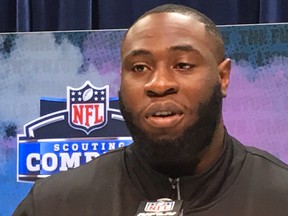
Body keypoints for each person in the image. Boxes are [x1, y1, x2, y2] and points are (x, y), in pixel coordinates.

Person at [13, 4, 288, 216]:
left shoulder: (279, 196)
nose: (159, 84)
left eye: (182, 65)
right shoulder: (54, 204)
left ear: (223, 76)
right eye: (140, 68)